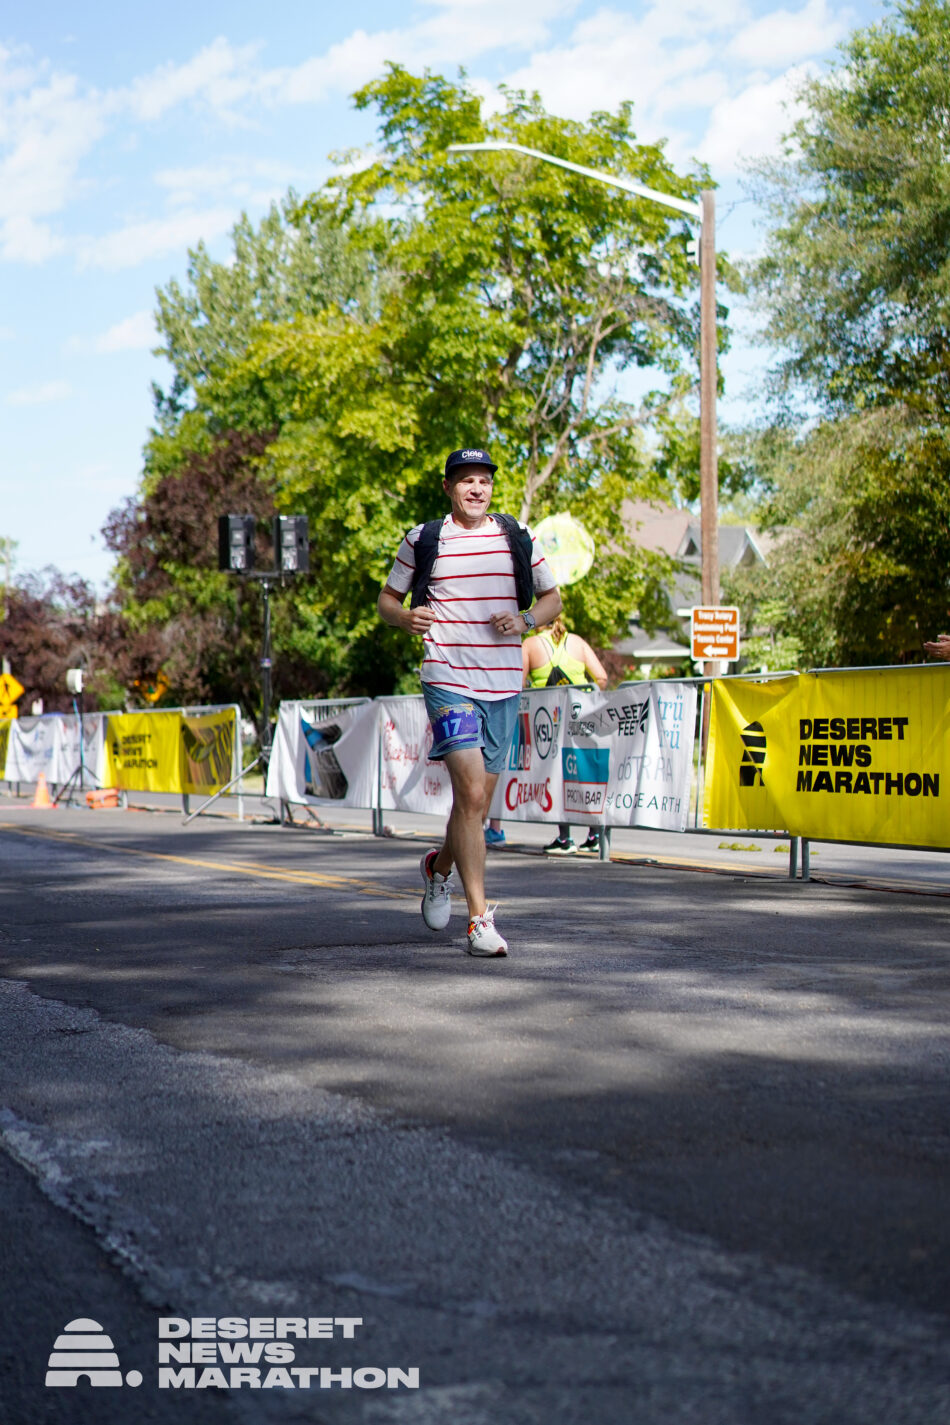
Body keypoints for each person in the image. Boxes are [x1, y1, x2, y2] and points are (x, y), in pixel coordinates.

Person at [378, 447, 562, 957]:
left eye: (483, 480)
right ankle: (479, 920)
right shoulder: (424, 539)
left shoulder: (516, 537)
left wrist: (525, 621)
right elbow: (387, 601)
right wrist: (404, 618)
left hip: (503, 684)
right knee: (472, 795)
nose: (476, 489)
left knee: (475, 802)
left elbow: (553, 599)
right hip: (447, 678)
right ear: (448, 488)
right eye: (466, 481)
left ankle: (437, 869)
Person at [525, 615, 608, 855]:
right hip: (582, 715)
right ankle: (594, 835)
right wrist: (586, 695)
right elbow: (601, 677)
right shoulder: (577, 641)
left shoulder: (530, 645)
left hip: (549, 718)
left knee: (557, 775)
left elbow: (518, 684)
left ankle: (565, 838)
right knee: (584, 773)